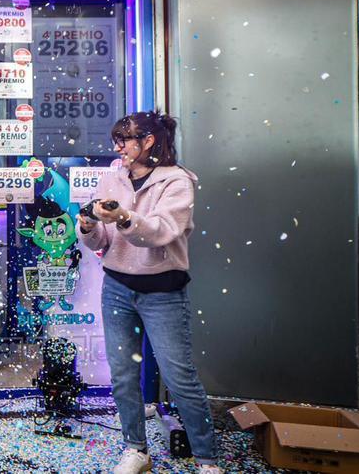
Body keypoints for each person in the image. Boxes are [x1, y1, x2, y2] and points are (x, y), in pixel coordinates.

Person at [76, 111, 221, 474]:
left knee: (178, 377)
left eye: (125, 139)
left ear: (149, 142)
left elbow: (159, 233)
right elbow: (101, 243)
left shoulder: (178, 182)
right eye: (117, 139)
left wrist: (124, 217)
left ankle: (207, 459)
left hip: (163, 292)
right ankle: (135, 450)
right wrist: (88, 226)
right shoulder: (112, 178)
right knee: (123, 374)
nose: (118, 147)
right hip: (117, 288)